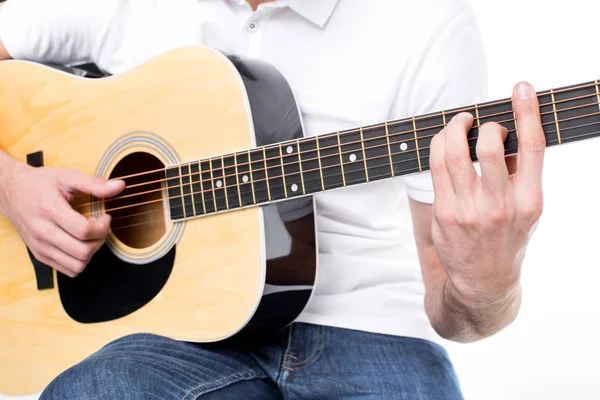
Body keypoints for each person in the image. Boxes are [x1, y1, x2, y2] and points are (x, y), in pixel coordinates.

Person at [0, 0, 545, 398]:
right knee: (96, 389)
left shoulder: (428, 21)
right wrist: (14, 184)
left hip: (371, 331)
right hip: (169, 337)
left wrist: (486, 283)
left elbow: (460, 315)